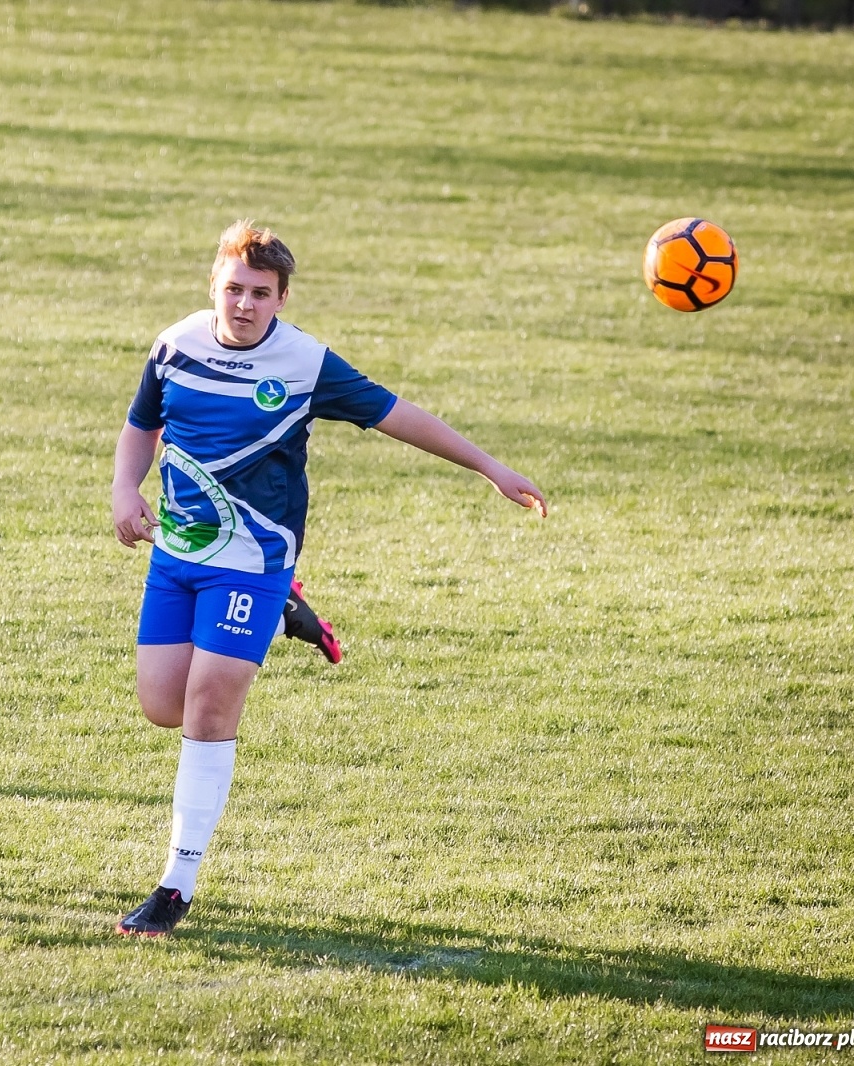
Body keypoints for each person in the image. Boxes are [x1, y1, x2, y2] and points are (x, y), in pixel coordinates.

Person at [109, 220, 546, 935]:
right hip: (179, 555)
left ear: (281, 298)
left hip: (255, 562)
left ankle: (175, 886)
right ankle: (289, 608)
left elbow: (397, 415)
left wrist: (489, 467)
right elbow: (141, 425)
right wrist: (125, 489)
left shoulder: (305, 364)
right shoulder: (175, 345)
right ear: (214, 286)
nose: (244, 304)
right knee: (163, 706)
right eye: (234, 289)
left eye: (261, 293)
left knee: (210, 706)